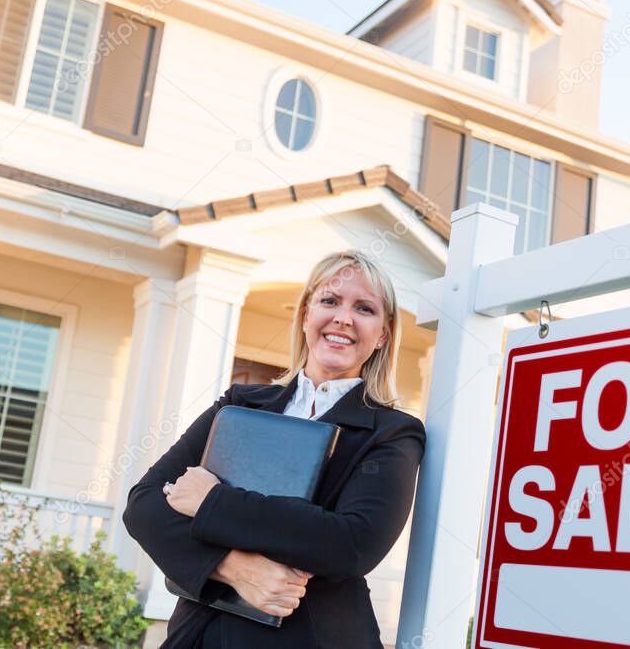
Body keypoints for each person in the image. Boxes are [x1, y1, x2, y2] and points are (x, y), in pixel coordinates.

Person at [123, 249, 426, 649]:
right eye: (330, 301)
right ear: (305, 315)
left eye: (364, 308)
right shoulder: (239, 404)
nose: (343, 318)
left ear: (383, 334)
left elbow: (351, 544)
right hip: (200, 633)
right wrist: (232, 569)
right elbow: (144, 505)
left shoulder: (392, 432)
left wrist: (212, 501)